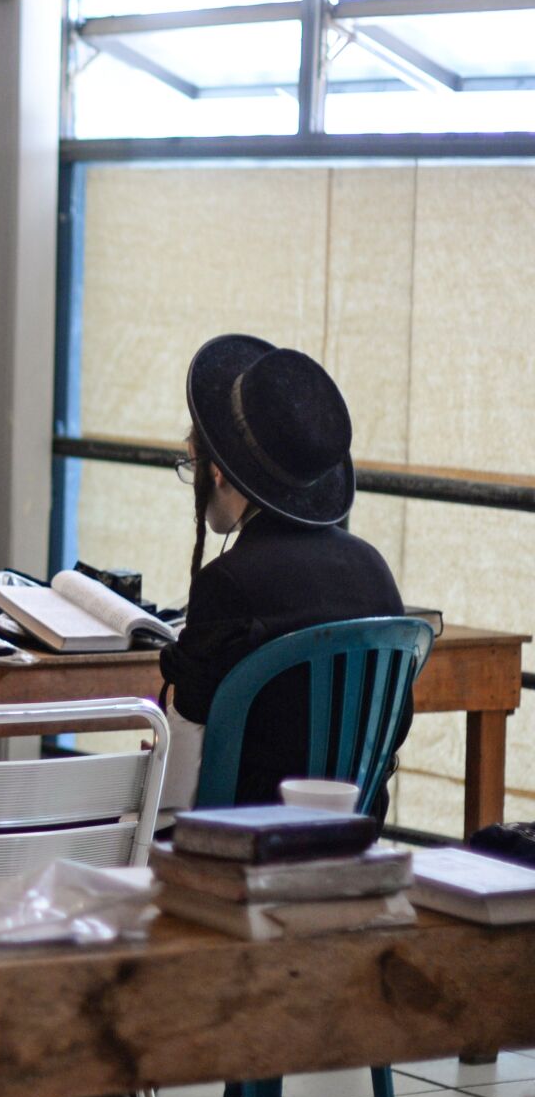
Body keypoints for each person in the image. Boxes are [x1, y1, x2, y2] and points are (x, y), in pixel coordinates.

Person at [160, 334, 408, 813]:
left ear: (216, 471)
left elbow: (181, 773)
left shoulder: (227, 584)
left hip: (238, 848)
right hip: (353, 843)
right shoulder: (376, 572)